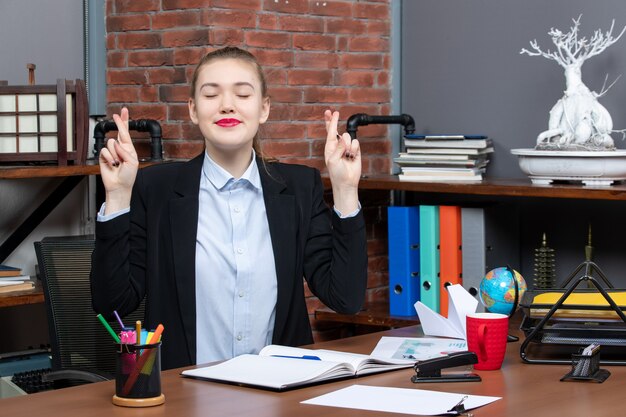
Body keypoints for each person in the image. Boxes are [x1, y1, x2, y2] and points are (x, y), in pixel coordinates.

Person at [90, 46, 368, 370]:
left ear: (264, 108)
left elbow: (345, 299)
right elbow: (113, 304)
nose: (227, 105)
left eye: (243, 94)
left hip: (279, 392)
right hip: (186, 395)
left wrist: (346, 190)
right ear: (193, 110)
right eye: (211, 95)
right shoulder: (156, 190)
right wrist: (118, 196)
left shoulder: (300, 188)